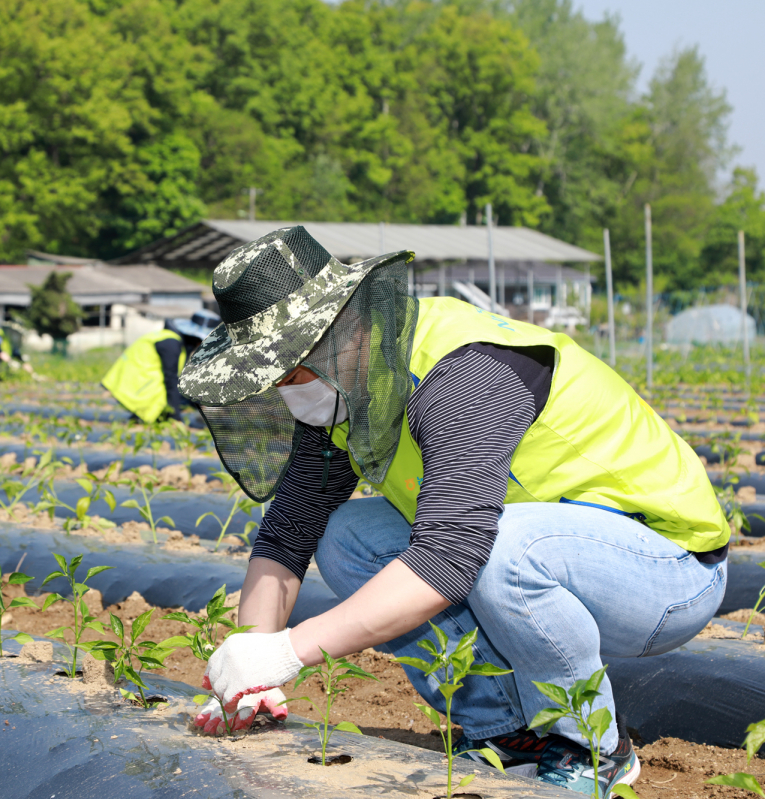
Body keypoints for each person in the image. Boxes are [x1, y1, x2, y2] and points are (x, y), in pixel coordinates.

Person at [177, 227, 727, 799]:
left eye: (292, 373)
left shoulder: (464, 374)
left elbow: (452, 552)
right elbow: (289, 534)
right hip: (536, 548)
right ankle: (510, 732)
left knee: (502, 551)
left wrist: (287, 652)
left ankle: (588, 743)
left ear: (345, 327)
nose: (290, 392)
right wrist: (246, 669)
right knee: (346, 537)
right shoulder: (351, 387)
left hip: (668, 566)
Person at [102, 309, 220, 423]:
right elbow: (171, 380)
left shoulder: (174, 340)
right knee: (177, 396)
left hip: (136, 386)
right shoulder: (171, 344)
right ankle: (144, 417)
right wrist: (176, 418)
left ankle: (141, 418)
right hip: (137, 389)